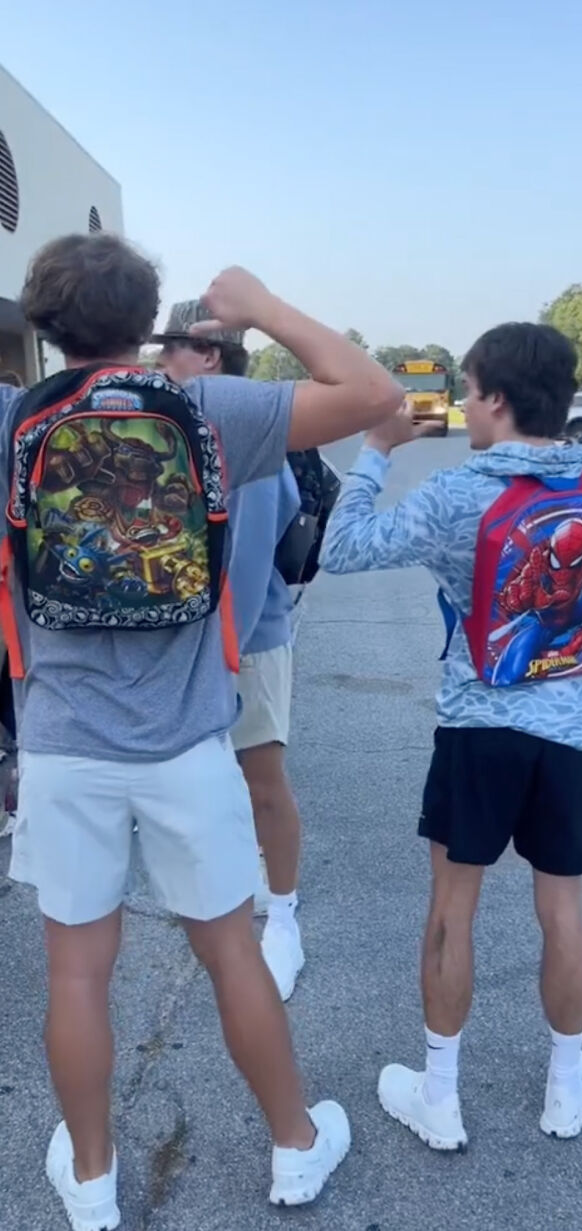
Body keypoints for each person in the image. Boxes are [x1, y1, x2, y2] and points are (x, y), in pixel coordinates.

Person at [5, 232, 402, 1230]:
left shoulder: (14, 420)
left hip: (61, 744)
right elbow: (375, 395)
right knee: (231, 950)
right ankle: (294, 1146)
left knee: (77, 971)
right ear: (150, 324)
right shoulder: (209, 408)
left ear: (43, 323)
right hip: (187, 742)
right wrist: (261, 306)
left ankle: (92, 1181)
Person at [320, 322, 582, 1153]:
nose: (460, 402)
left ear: (495, 399)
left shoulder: (456, 493)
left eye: (466, 388)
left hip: (477, 727)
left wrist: (377, 449)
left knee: (452, 906)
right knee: (562, 910)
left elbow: (340, 548)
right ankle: (565, 1084)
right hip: (572, 734)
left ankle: (441, 1094)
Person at [159, 304, 306, 1001]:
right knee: (226, 784)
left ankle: (284, 917)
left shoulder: (237, 423)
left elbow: (245, 559)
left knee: (262, 780)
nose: (161, 363)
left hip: (241, 638)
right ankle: (247, 892)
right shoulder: (190, 421)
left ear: (209, 355)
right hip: (209, 638)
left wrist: (219, 661)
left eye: (171, 349)